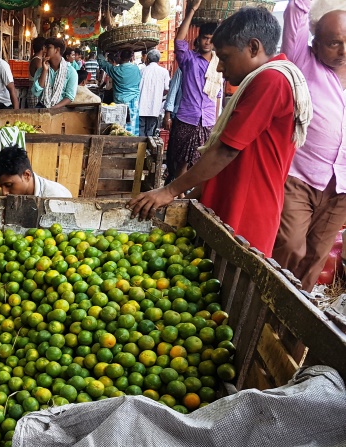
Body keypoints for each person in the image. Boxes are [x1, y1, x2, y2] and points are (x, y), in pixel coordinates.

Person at [128, 7, 312, 258]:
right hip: (232, 200)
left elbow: (226, 150)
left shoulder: (272, 81)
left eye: (224, 58)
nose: (219, 69)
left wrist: (169, 191)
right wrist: (191, 197)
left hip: (245, 209)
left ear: (253, 48)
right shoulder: (267, 77)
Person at [271, 0, 346, 291]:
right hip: (300, 179)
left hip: (340, 188)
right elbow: (296, 11)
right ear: (315, 44)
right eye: (334, 43)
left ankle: (288, 330)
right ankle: (265, 304)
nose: (342, 51)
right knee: (290, 246)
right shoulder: (302, 60)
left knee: (316, 256)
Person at [167, 1, 221, 181]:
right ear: (199, 39)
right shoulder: (189, 59)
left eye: (211, 39)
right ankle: (178, 193)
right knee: (181, 160)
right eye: (205, 37)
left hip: (207, 120)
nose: (207, 42)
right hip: (187, 117)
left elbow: (218, 96)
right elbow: (179, 41)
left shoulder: (219, 66)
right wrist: (192, 10)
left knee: (200, 162)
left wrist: (218, 121)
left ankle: (185, 193)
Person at [0, 146, 72, 213]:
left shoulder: (57, 197)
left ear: (27, 175)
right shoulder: (4, 196)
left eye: (9, 185)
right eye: (1, 186)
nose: (4, 192)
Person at [98, 49, 142, 134]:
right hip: (133, 102)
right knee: (132, 128)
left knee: (119, 128)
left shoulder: (115, 70)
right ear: (131, 57)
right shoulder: (136, 69)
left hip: (120, 103)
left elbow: (102, 62)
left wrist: (101, 50)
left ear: (120, 57)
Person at [32, 37, 76, 108]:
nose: (44, 50)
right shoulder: (41, 69)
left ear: (57, 50)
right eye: (44, 48)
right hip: (42, 107)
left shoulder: (71, 72)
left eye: (48, 48)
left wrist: (54, 108)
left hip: (60, 110)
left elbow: (70, 97)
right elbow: (36, 92)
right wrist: (44, 71)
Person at [139, 49, 170, 136]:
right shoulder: (164, 72)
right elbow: (167, 89)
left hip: (141, 105)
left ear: (148, 59)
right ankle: (149, 148)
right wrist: (160, 95)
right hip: (155, 106)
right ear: (159, 60)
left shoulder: (142, 71)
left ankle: (141, 148)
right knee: (151, 132)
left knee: (140, 130)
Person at [25, 36, 46, 108]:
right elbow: (42, 77)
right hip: (35, 93)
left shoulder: (36, 58)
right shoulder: (37, 60)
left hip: (34, 93)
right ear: (43, 47)